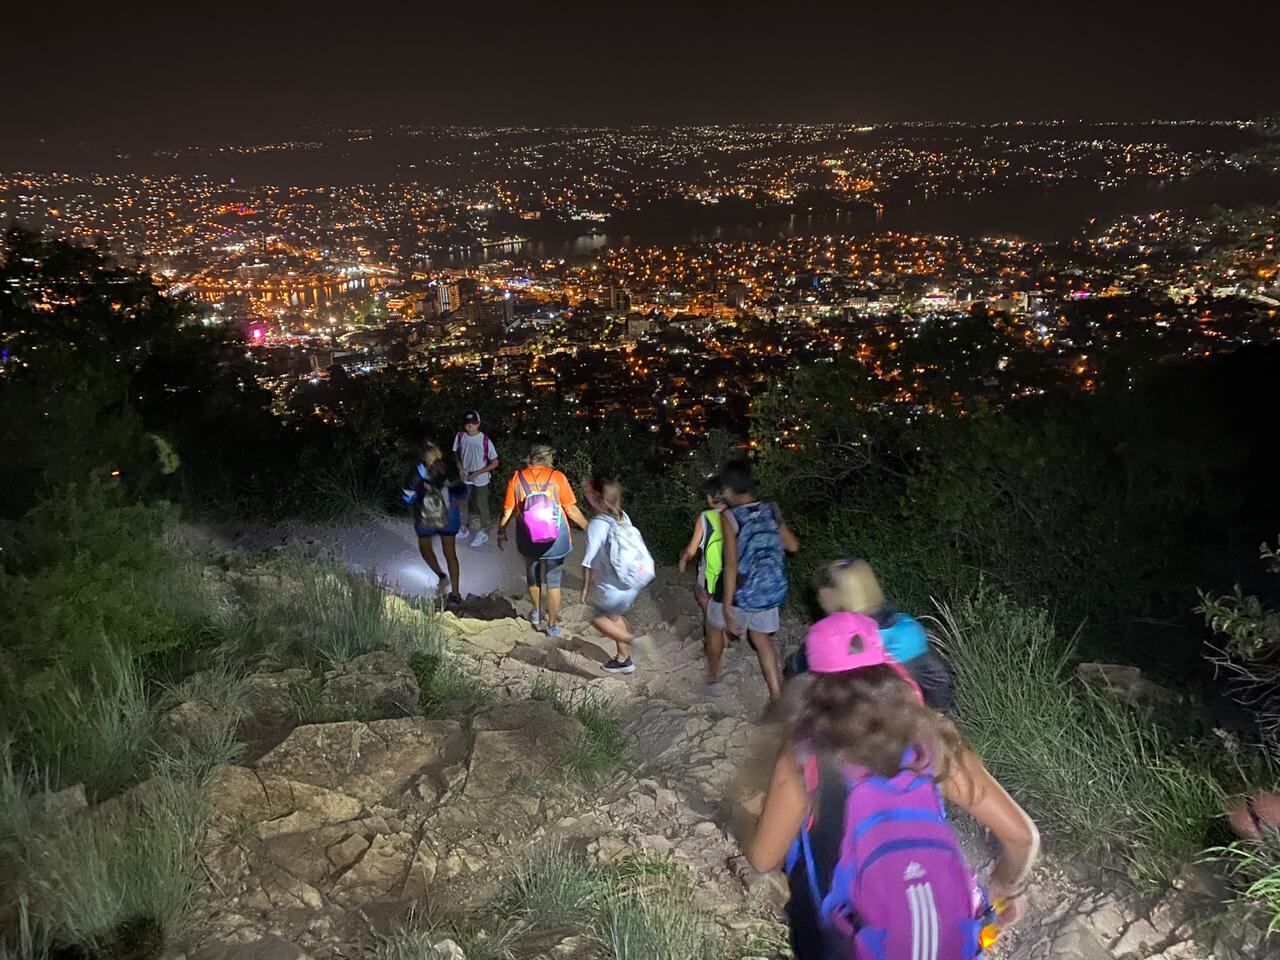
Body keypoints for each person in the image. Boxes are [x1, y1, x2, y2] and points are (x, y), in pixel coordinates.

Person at [742, 614, 1039, 960]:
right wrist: (1005, 886)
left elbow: (764, 858)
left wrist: (747, 813)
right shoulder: (934, 737)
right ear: (887, 670)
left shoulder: (803, 753)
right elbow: (1023, 837)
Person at [810, 557, 956, 713]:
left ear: (828, 595)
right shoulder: (906, 628)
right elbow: (940, 679)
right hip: (911, 722)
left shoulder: (831, 639)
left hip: (861, 726)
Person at [716, 458, 800, 701]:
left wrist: (728, 606)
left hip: (746, 593)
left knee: (720, 624)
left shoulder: (730, 517)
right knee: (760, 638)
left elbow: (730, 564)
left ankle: (714, 670)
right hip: (772, 587)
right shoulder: (771, 509)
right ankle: (777, 696)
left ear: (729, 488)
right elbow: (793, 546)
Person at [497, 440, 589, 638]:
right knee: (553, 582)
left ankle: (537, 612)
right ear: (548, 458)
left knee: (533, 576)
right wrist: (589, 528)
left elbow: (507, 511)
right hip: (556, 538)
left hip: (528, 536)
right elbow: (571, 510)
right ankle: (552, 626)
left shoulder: (516, 478)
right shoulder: (557, 478)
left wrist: (501, 531)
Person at [581, 475, 656, 675]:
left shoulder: (597, 524)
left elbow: (588, 561)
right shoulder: (623, 516)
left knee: (597, 618)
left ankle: (633, 642)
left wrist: (585, 588)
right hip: (632, 581)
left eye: (589, 491)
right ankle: (624, 659)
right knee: (614, 615)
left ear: (596, 497)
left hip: (612, 585)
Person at [679, 475, 729, 684]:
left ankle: (718, 641)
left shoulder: (705, 517)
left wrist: (684, 558)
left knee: (702, 596)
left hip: (710, 573)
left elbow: (692, 549)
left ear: (710, 498)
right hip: (733, 574)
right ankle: (723, 633)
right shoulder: (737, 515)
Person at [402, 442, 466, 602]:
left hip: (425, 516)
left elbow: (408, 497)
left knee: (425, 548)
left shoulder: (418, 471)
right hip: (449, 514)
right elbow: (462, 491)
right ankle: (456, 594)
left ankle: (441, 576)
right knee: (450, 554)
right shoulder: (449, 468)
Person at [452, 410, 499, 548]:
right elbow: (456, 453)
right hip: (466, 476)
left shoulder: (485, 440)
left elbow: (495, 462)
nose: (470, 426)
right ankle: (463, 528)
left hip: (481, 478)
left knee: (482, 505)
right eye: (467, 423)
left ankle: (483, 531)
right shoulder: (460, 436)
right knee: (463, 502)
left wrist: (477, 473)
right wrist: (460, 467)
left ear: (478, 424)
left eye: (473, 423)